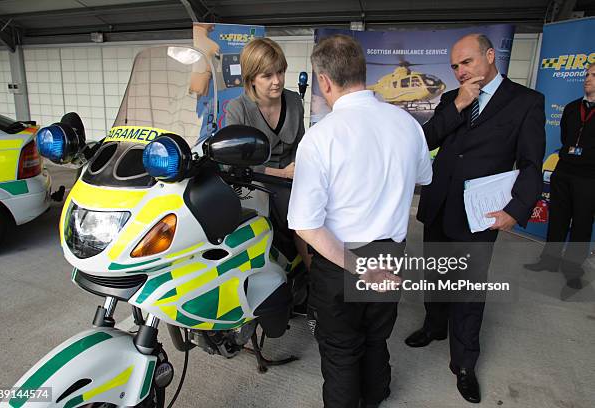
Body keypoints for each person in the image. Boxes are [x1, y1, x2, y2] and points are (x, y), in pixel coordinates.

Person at [288, 34, 432, 408]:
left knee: (339, 349)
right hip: (390, 253)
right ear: (362, 73)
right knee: (375, 336)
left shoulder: (321, 138)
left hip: (342, 261)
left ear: (324, 81)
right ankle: (376, 396)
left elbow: (306, 225)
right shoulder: (407, 124)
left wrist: (358, 268)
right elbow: (423, 178)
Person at [405, 34, 545, 403]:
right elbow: (427, 140)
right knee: (435, 275)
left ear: (489, 55)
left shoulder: (526, 102)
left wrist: (516, 210)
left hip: (480, 214)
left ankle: (464, 363)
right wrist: (459, 104)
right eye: (454, 66)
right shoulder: (453, 98)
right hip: (438, 206)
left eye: (466, 62)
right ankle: (434, 326)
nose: (460, 71)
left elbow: (531, 164)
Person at [225, 37, 310, 269]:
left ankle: (310, 279)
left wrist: (300, 171)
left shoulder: (294, 100)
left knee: (311, 215)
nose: (277, 81)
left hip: (293, 176)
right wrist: (282, 174)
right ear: (251, 78)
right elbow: (233, 163)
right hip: (255, 180)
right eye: (267, 76)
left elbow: (301, 144)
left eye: (280, 72)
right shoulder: (238, 109)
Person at [524, 64, 595, 291]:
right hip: (564, 171)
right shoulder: (573, 108)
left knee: (582, 224)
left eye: (593, 75)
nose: (588, 79)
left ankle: (573, 269)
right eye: (587, 74)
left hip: (590, 177)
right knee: (558, 218)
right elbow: (566, 135)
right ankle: (549, 260)